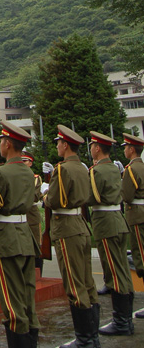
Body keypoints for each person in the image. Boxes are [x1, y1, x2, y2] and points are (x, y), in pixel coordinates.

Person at [0, 123, 40, 348]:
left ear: (7, 144)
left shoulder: (1, 172)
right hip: (25, 237)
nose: (0, 145)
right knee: (27, 299)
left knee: (11, 302)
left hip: (5, 240)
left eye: (1, 141)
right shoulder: (28, 171)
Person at [43, 125, 98, 348]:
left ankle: (85, 340)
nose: (57, 146)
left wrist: (45, 195)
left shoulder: (63, 169)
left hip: (66, 228)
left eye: (58, 143)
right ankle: (92, 337)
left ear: (66, 145)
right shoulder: (82, 167)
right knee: (87, 282)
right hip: (80, 225)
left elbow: (54, 200)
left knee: (75, 284)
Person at [87, 130, 134, 335]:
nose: (90, 149)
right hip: (118, 221)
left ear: (97, 148)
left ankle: (121, 322)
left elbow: (91, 197)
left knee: (114, 273)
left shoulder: (97, 171)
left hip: (106, 223)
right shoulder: (115, 169)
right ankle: (126, 320)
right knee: (122, 271)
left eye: (92, 146)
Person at [121, 132, 144, 320]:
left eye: (126, 147)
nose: (124, 150)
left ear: (131, 149)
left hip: (137, 216)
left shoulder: (131, 169)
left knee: (141, 258)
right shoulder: (142, 167)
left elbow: (127, 196)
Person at [21, 149, 43, 269]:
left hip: (31, 214)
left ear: (31, 163)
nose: (22, 163)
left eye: (25, 161)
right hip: (19, 214)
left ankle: (37, 270)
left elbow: (34, 196)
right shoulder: (15, 177)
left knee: (35, 244)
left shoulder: (35, 178)